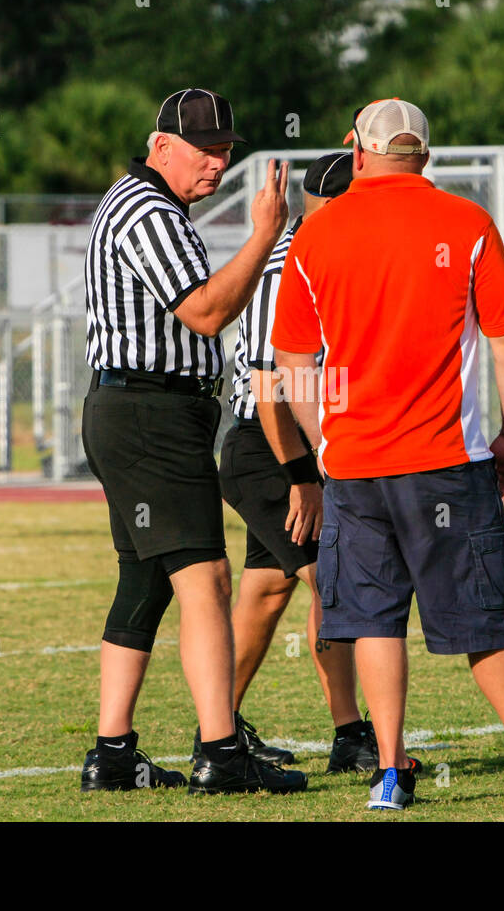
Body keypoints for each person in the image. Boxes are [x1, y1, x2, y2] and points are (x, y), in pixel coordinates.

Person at [270, 98, 504, 810]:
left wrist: (325, 444)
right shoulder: (466, 224)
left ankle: (390, 772)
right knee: (482, 617)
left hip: (356, 465)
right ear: (424, 156)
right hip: (444, 460)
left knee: (371, 617)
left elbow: (292, 359)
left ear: (356, 152)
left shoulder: (315, 235)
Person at [79, 87, 306, 796]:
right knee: (206, 578)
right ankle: (220, 750)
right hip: (150, 415)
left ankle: (113, 753)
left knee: (144, 579)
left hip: (140, 410)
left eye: (225, 151)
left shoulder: (148, 204)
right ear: (161, 146)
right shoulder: (147, 210)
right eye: (205, 150)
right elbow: (207, 312)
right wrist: (264, 235)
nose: (217, 164)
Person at [214, 152, 421, 774]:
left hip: (303, 445)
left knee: (266, 591)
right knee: (334, 581)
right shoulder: (295, 263)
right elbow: (270, 381)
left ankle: (217, 730)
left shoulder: (330, 254)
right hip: (270, 445)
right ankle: (350, 735)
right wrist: (304, 477)